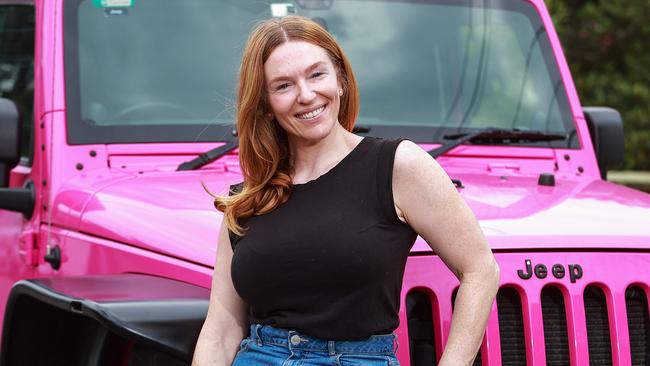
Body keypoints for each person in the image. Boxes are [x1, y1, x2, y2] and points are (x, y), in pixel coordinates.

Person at [192, 15, 499, 366]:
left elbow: (480, 269)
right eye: (283, 86)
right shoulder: (246, 198)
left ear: (340, 79)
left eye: (316, 74)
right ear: (265, 103)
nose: (306, 95)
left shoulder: (397, 165)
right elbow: (220, 331)